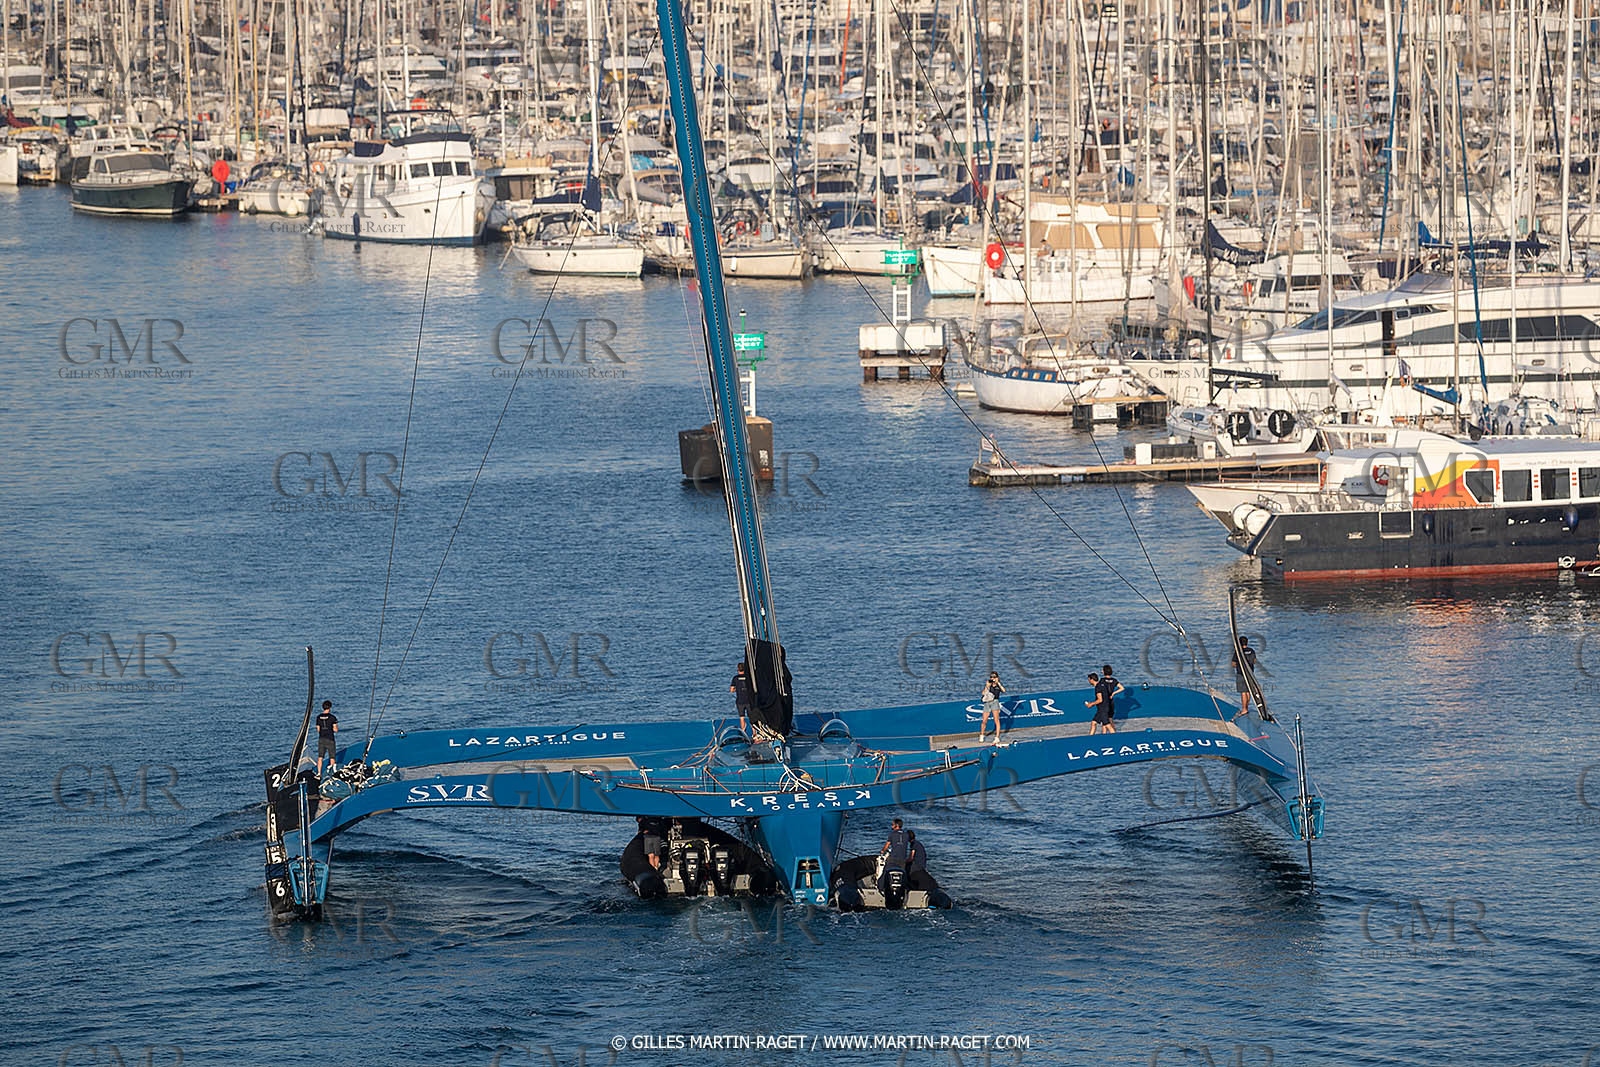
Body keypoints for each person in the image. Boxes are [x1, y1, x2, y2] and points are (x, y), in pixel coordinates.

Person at [879, 817, 911, 894]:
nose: (891, 826)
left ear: (896, 825)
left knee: (885, 872)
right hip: (903, 859)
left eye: (892, 825)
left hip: (893, 858)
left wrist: (882, 851)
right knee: (903, 873)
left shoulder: (892, 834)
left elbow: (887, 845)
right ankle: (904, 889)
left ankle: (880, 887)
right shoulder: (906, 835)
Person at [1231, 637, 1259, 721]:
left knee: (1243, 692)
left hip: (1241, 674)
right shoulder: (1251, 650)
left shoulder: (1238, 651)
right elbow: (1254, 661)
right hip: (1250, 673)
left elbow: (1233, 664)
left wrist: (1239, 666)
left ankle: (1244, 709)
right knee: (1247, 691)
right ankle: (1246, 707)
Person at [978, 671, 1006, 743]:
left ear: (997, 678)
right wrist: (987, 686)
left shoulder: (998, 685)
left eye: (994, 677)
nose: (992, 678)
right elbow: (983, 693)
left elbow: (1004, 690)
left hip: (995, 702)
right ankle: (981, 735)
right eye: (991, 677)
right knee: (984, 720)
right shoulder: (989, 684)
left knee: (996, 720)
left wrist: (998, 683)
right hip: (987, 702)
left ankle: (997, 737)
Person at [315, 700, 338, 774]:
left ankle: (319, 773)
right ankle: (332, 773)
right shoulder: (332, 717)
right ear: (330, 707)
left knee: (320, 757)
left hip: (321, 739)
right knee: (332, 757)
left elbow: (318, 729)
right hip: (330, 739)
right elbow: (335, 729)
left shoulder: (318, 717)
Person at [729, 661, 753, 733]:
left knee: (742, 717)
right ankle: (754, 733)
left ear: (738, 669)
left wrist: (738, 689)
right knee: (752, 718)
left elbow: (732, 690)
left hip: (740, 701)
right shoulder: (749, 677)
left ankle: (743, 732)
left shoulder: (735, 678)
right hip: (749, 701)